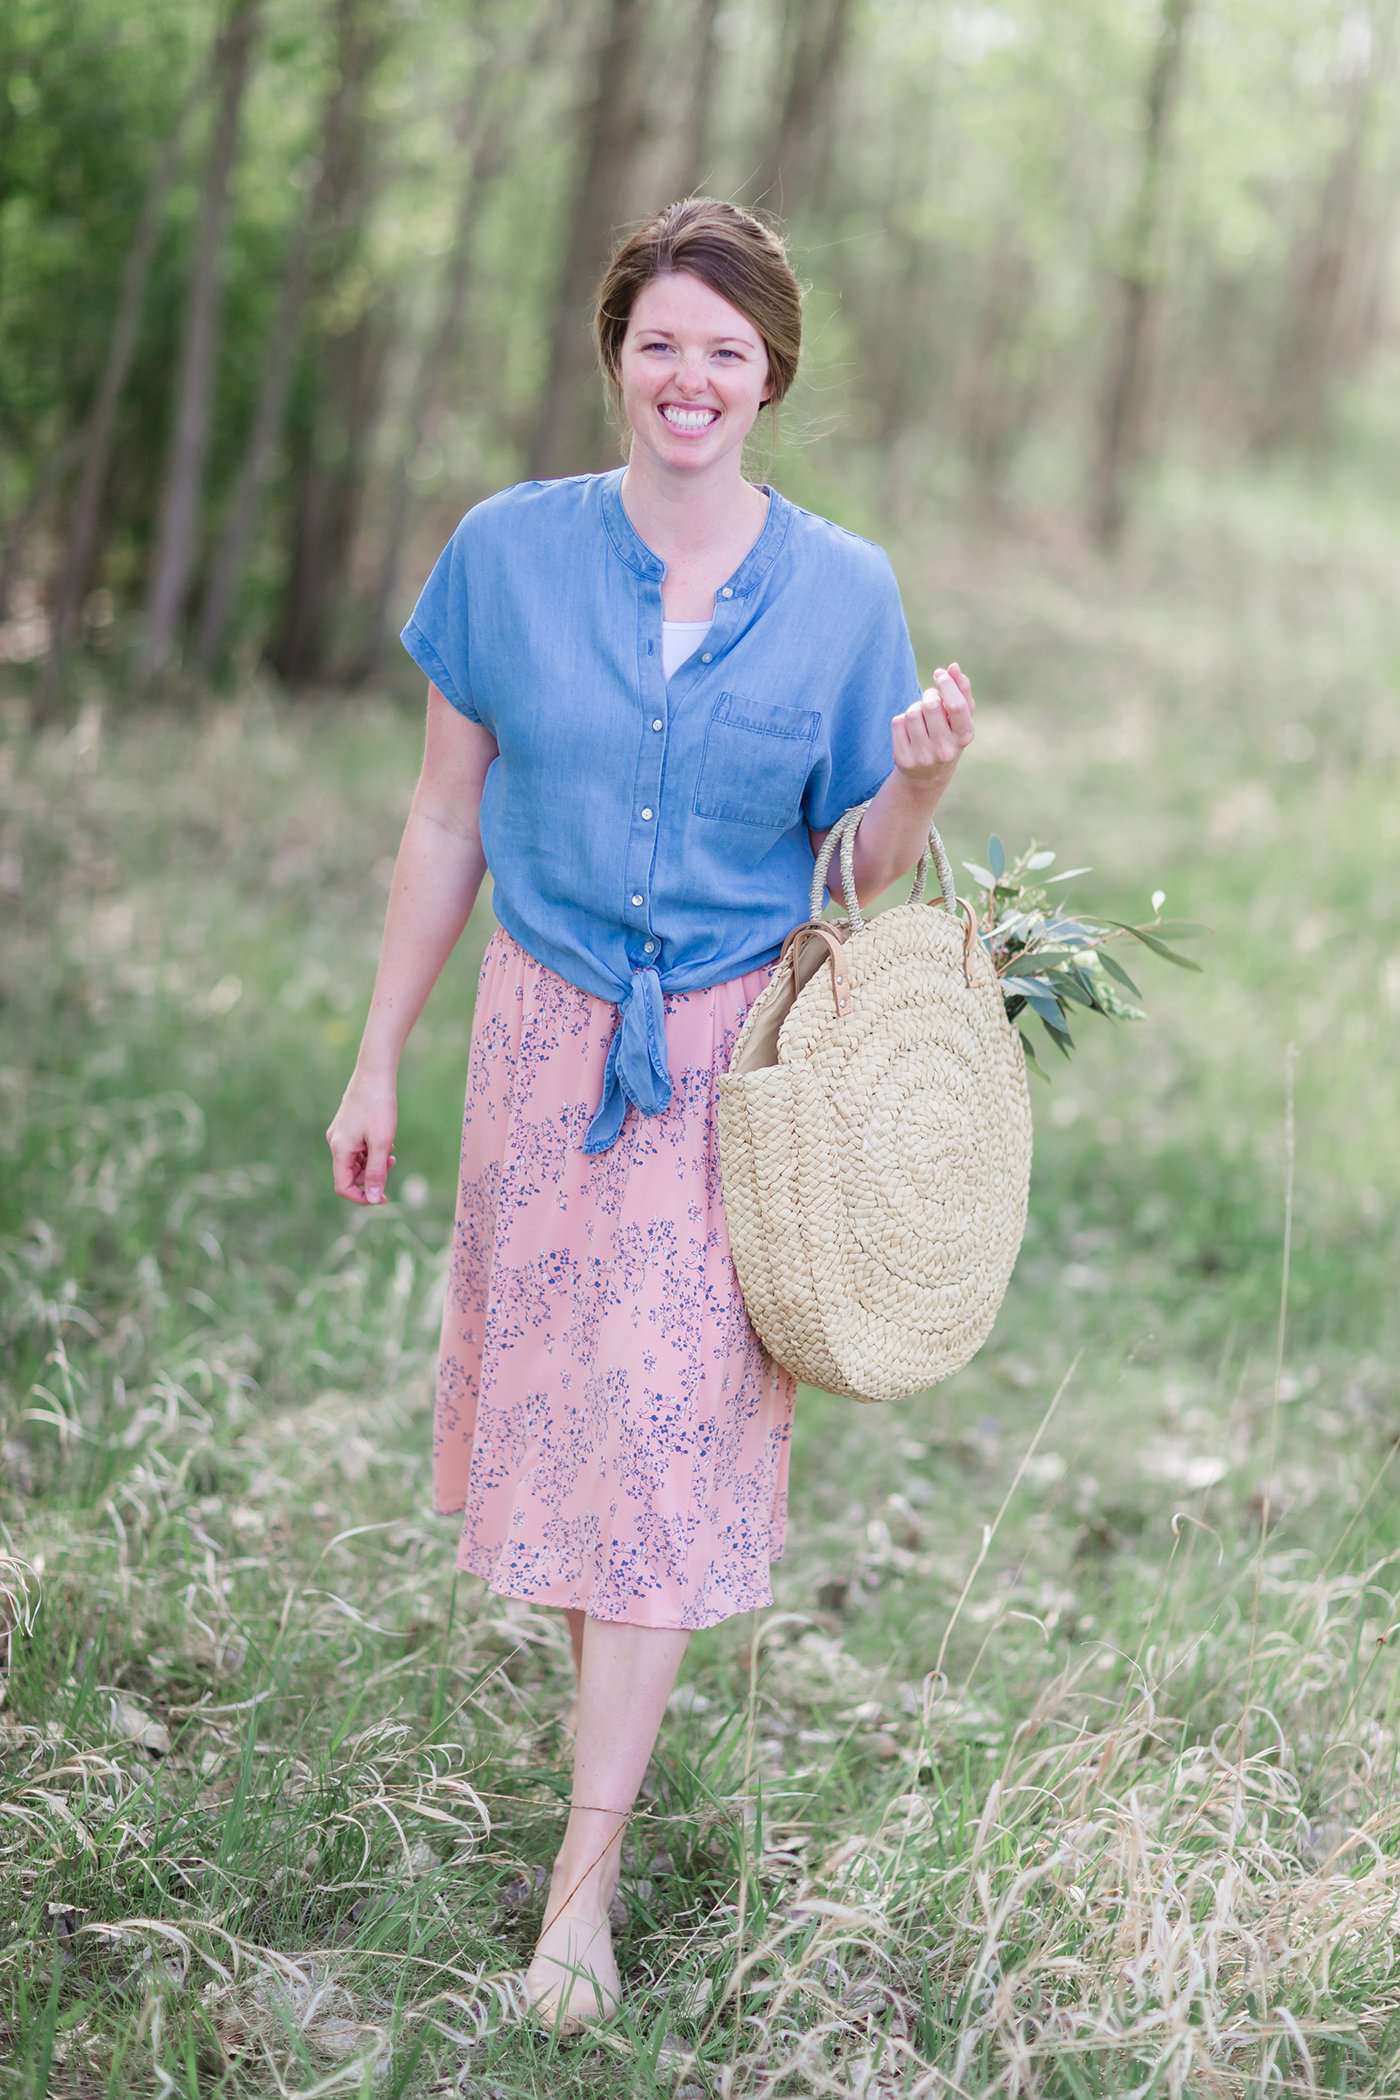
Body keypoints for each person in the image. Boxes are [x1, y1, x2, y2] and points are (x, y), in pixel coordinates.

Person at [326, 196, 975, 2035]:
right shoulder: (506, 556)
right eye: (662, 342)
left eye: (729, 349)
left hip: (728, 1078)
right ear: (615, 355)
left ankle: (580, 1899)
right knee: (572, 1448)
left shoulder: (844, 592)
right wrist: (377, 1055)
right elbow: (447, 821)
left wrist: (916, 791)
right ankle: (601, 1773)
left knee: (668, 1456)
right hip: (540, 1053)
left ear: (773, 377)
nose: (691, 378)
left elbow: (850, 871)